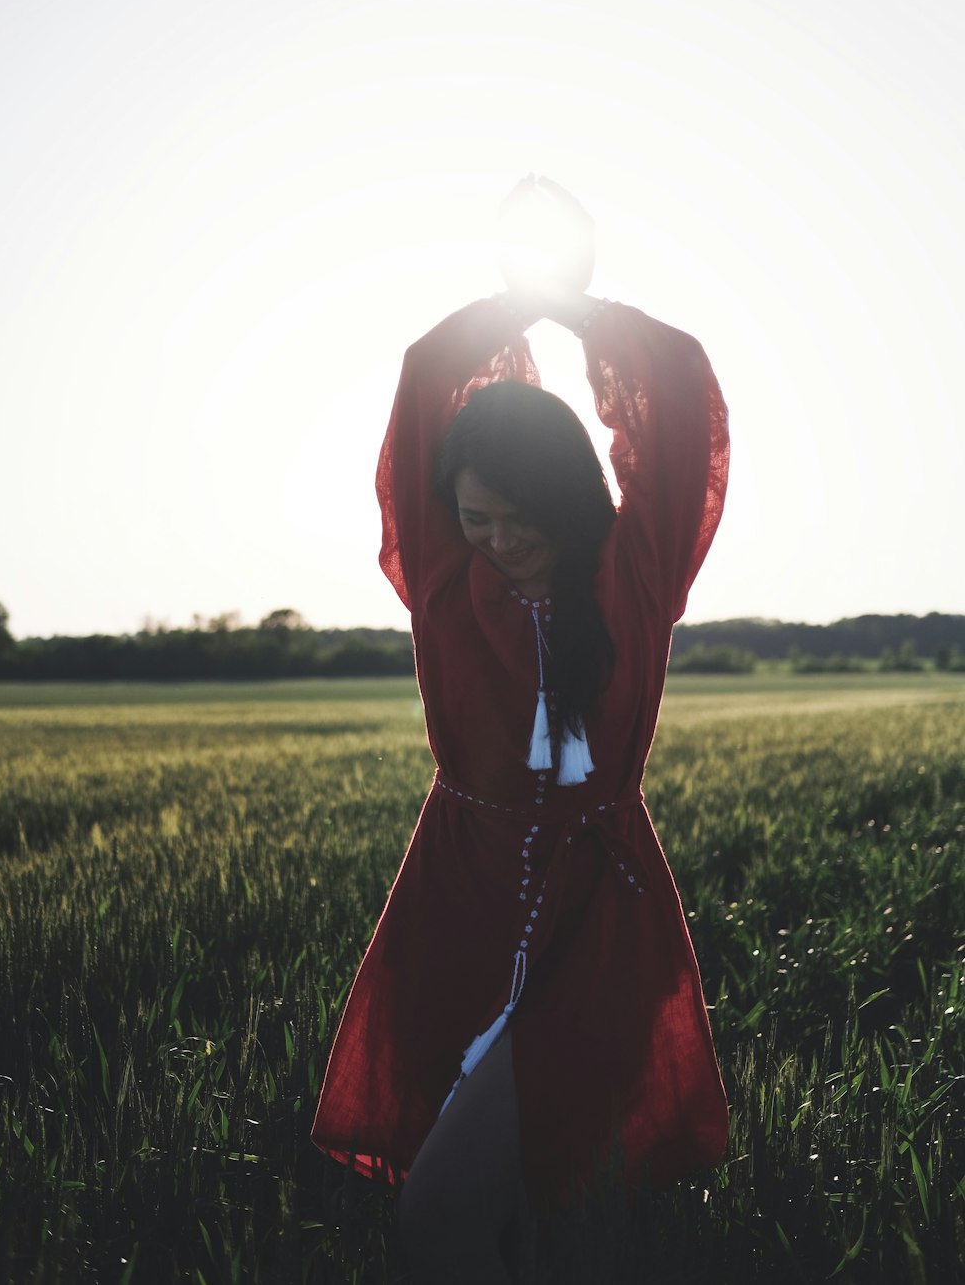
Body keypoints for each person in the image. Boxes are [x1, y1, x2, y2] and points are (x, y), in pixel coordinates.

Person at [311, 177, 731, 1282]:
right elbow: (421, 392)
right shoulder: (448, 588)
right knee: (502, 1215)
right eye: (474, 518)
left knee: (461, 1215)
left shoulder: (635, 579)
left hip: (598, 914)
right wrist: (506, 309)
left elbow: (678, 401)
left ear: (573, 502)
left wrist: (572, 307)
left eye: (520, 515)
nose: (497, 540)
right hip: (461, 898)